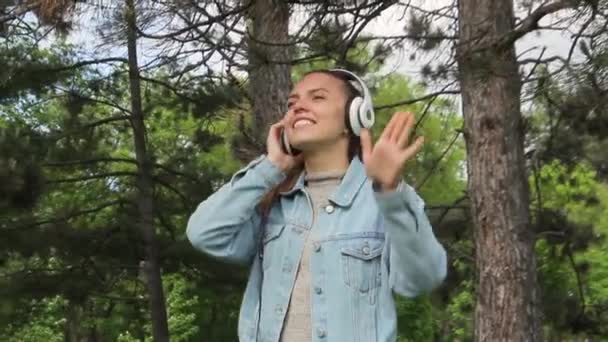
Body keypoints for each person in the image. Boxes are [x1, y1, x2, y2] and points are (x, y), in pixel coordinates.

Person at [186, 69, 447, 342]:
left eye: (318, 97)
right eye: (291, 103)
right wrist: (271, 167)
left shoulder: (383, 201)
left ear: (354, 117)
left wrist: (390, 193)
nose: (298, 106)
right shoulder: (272, 202)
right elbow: (204, 234)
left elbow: (423, 279)